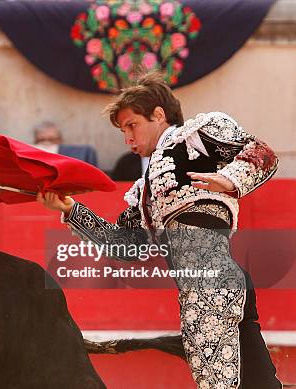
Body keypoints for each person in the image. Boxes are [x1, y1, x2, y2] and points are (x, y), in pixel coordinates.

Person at [38, 72, 281, 388]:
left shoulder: (194, 137)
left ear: (158, 115)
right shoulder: (144, 190)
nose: (128, 138)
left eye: (132, 125)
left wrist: (231, 180)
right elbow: (125, 247)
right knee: (258, 382)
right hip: (210, 281)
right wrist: (71, 210)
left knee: (218, 383)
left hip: (209, 281)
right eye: (122, 130)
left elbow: (263, 152)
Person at [33, 121, 98, 166]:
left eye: (51, 139)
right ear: (35, 141)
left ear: (60, 140)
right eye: (41, 140)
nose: (46, 143)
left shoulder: (82, 154)